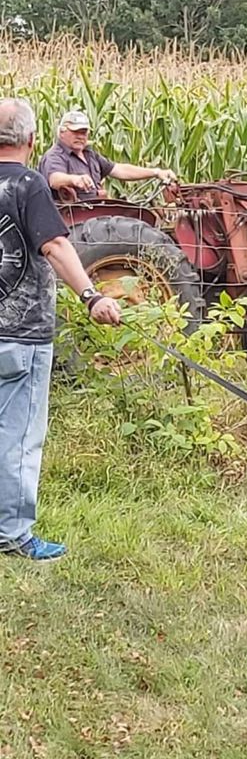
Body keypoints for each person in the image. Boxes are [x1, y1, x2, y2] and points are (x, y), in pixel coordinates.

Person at [0, 98, 122, 562]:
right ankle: (12, 534)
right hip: (21, 334)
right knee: (18, 437)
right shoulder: (28, 183)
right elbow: (53, 244)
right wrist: (92, 296)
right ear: (32, 141)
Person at [38, 108, 177, 202]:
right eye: (76, 132)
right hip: (74, 220)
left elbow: (120, 170)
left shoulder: (90, 155)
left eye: (84, 132)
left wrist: (156, 172)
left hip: (97, 215)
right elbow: (55, 179)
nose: (80, 136)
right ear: (62, 132)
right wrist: (75, 180)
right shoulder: (55, 156)